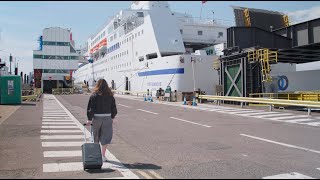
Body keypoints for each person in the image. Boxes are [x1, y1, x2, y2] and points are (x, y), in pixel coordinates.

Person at [86, 79, 117, 162]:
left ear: (97, 85)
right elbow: (113, 108)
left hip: (96, 118)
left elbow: (90, 108)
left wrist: (89, 119)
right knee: (106, 137)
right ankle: (103, 155)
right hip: (107, 118)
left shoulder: (94, 95)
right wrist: (112, 117)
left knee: (95, 137)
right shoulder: (110, 95)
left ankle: (97, 155)